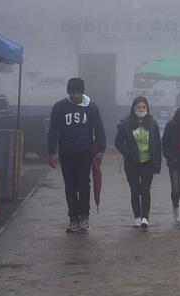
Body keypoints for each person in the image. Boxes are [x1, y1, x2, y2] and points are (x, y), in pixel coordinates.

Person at [48, 78, 106, 232]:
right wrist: (52, 151)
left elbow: (99, 128)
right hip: (66, 153)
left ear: (82, 92)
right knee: (70, 185)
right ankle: (73, 218)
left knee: (83, 184)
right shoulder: (60, 107)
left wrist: (101, 149)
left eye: (78, 92)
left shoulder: (91, 107)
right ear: (68, 92)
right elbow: (53, 130)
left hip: (85, 152)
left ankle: (84, 216)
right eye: (72, 92)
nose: (75, 95)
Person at [114, 96, 162, 228]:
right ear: (133, 108)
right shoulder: (126, 124)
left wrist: (157, 164)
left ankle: (145, 217)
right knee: (135, 190)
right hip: (132, 162)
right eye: (138, 107)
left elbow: (158, 144)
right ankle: (137, 216)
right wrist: (127, 153)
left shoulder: (153, 123)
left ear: (147, 108)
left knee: (145, 190)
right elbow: (118, 142)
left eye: (143, 107)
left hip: (148, 162)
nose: (141, 109)